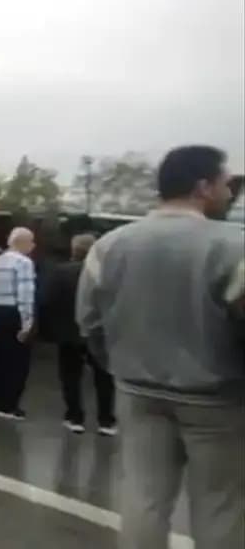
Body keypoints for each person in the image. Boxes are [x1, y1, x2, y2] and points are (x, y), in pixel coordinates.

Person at [76, 145, 244, 549]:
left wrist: (119, 364)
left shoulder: (108, 246)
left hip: (137, 392)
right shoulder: (233, 246)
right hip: (217, 399)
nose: (229, 192)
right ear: (203, 187)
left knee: (143, 499)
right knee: (220, 505)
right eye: (225, 183)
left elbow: (89, 322)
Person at [43, 233, 116, 435]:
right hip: (97, 332)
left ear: (73, 250)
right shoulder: (104, 274)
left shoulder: (60, 272)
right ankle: (106, 421)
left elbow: (49, 300)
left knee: (70, 376)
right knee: (103, 378)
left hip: (68, 333)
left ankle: (74, 417)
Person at [0, 227, 36, 421]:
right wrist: (27, 323)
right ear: (22, 242)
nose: (33, 246)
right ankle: (8, 406)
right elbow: (25, 294)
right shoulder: (23, 263)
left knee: (0, 358)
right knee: (18, 363)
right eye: (31, 242)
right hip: (14, 313)